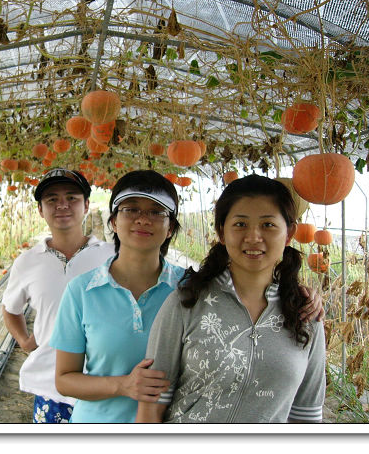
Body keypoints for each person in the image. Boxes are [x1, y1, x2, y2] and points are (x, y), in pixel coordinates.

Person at [136, 174, 326, 423]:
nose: (254, 237)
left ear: (289, 233)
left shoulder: (305, 315)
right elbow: (151, 407)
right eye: (240, 224)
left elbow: (306, 417)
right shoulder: (186, 303)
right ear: (222, 232)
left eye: (268, 224)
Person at [49, 170, 187, 423]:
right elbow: (64, 380)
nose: (143, 219)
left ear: (170, 228)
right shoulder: (82, 291)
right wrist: (123, 385)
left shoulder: (189, 289)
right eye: (131, 209)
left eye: (156, 212)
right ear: (113, 222)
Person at [1, 168, 114, 423]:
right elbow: (10, 308)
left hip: (105, 384)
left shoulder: (112, 255)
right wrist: (24, 341)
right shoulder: (27, 262)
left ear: (86, 205)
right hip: (51, 388)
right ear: (41, 210)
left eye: (72, 198)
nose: (62, 205)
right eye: (52, 199)